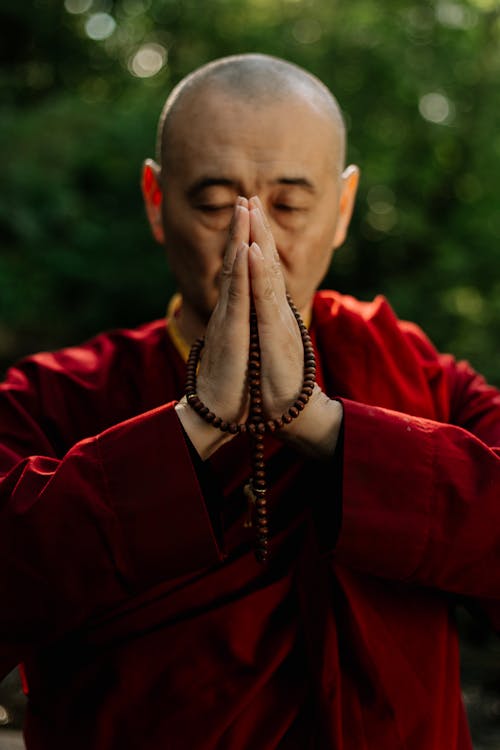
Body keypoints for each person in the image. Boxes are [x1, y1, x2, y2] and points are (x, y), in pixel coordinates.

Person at [0, 52, 499, 750]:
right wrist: (191, 427)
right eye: (212, 205)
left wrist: (325, 424)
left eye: (291, 205)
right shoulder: (57, 397)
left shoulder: (416, 373)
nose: (252, 241)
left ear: (343, 207)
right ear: (155, 200)